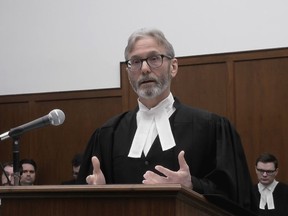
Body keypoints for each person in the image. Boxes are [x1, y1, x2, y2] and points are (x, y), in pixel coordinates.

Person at [77, 28, 256, 211]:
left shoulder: (211, 128)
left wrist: (192, 185)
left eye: (154, 58)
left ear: (173, 67)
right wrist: (94, 193)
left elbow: (237, 197)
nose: (145, 69)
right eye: (136, 62)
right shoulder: (108, 134)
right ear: (128, 72)